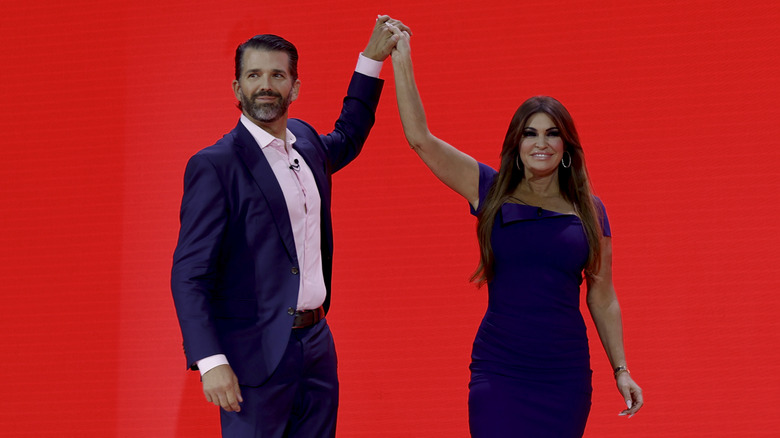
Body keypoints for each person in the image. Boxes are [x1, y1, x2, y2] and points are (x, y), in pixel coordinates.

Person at [388, 26, 643, 437]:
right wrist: (401, 58)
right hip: (500, 367)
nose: (540, 143)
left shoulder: (591, 212)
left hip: (564, 374)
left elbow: (603, 295)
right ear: (516, 142)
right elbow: (421, 139)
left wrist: (621, 370)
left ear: (566, 146)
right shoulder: (488, 189)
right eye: (530, 133)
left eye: (551, 133)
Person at [170, 16, 410, 437]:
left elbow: (349, 134)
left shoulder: (306, 143)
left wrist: (371, 60)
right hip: (253, 358)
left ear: (294, 87)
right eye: (254, 75)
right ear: (237, 88)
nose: (265, 85)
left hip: (316, 346)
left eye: (277, 75)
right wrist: (211, 361)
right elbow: (189, 274)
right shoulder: (215, 165)